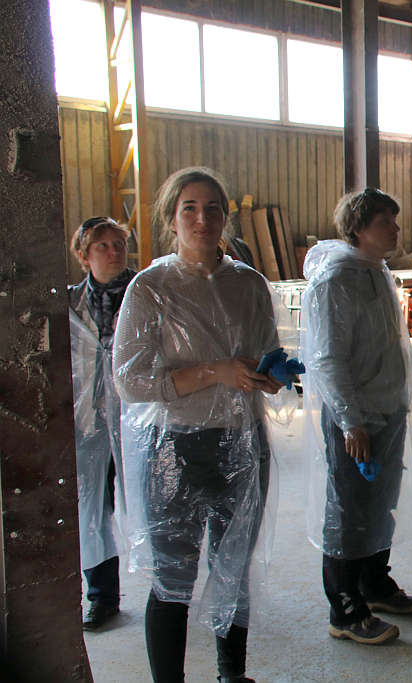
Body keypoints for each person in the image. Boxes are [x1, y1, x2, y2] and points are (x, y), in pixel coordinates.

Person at [113, 167, 287, 683]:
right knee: (173, 579)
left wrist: (270, 374)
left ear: (225, 217)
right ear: (171, 218)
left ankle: (232, 673)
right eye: (188, 207)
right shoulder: (151, 287)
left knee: (233, 568)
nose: (201, 218)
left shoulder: (248, 284)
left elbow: (266, 351)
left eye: (212, 208)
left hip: (243, 441)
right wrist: (215, 372)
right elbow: (130, 381)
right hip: (176, 448)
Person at [301, 188, 412, 646]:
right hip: (354, 418)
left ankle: (374, 582)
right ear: (357, 228)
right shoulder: (336, 280)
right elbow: (327, 358)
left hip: (387, 409)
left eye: (394, 220)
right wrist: (350, 421)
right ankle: (345, 606)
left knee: (381, 503)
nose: (395, 229)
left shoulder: (376, 270)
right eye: (384, 222)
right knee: (348, 510)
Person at [68, 216, 136, 630]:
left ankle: (167, 593)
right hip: (90, 421)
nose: (114, 253)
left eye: (119, 245)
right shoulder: (71, 303)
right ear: (84, 255)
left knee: (147, 504)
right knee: (92, 506)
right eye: (103, 246)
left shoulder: (145, 292)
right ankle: (101, 596)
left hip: (138, 418)